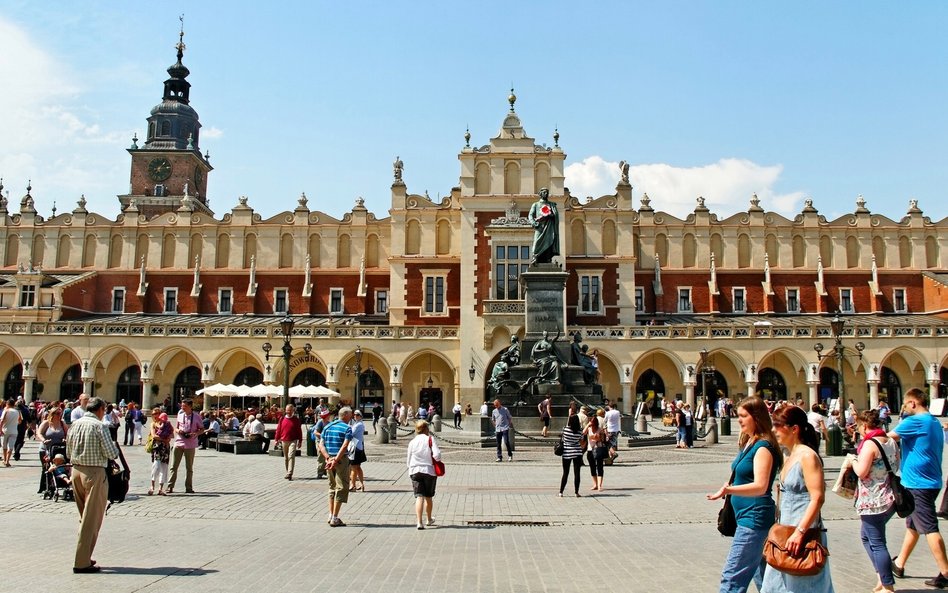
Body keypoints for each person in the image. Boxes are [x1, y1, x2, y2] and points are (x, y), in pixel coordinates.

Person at [707, 396, 782, 593]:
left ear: (756, 417)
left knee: (732, 577)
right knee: (764, 577)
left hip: (754, 518)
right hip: (746, 517)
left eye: (743, 416)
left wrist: (729, 490)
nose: (738, 419)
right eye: (738, 415)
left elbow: (760, 486)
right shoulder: (749, 442)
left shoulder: (763, 447)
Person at [760, 405, 834, 593]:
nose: (773, 430)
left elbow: (817, 498)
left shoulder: (808, 456)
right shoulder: (789, 455)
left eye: (778, 425)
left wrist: (800, 532)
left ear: (794, 429)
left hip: (802, 532)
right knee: (776, 585)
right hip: (784, 532)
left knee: (803, 585)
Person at [889, 387, 948, 588]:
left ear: (913, 403)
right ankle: (899, 563)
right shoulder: (934, 422)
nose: (903, 408)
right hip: (931, 481)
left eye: (905, 405)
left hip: (918, 484)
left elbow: (886, 439)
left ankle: (946, 573)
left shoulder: (913, 421)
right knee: (913, 526)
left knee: (930, 528)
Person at [65, 396, 120, 573]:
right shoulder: (99, 426)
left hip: (76, 472)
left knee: (84, 517)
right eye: (104, 410)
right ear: (100, 409)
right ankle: (81, 562)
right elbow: (111, 453)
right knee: (92, 519)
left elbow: (67, 450)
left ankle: (85, 556)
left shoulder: (75, 424)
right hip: (94, 473)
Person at [850, 409, 898, 593]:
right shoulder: (891, 441)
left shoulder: (870, 444)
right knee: (866, 536)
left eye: (859, 426)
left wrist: (852, 461)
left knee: (877, 543)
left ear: (864, 426)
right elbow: (896, 465)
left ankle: (887, 585)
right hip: (889, 497)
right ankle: (881, 576)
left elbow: (861, 471)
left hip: (873, 499)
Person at [318, 407, 353, 527]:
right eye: (350, 415)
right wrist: (336, 460)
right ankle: (335, 517)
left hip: (329, 459)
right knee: (342, 487)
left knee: (332, 486)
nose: (351, 417)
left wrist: (328, 458)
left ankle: (330, 514)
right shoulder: (347, 428)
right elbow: (344, 446)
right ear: (346, 415)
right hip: (341, 460)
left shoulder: (327, 427)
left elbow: (321, 445)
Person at [406, 419, 441, 529]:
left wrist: (412, 467)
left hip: (415, 471)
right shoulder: (430, 439)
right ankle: (429, 519)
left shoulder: (412, 442)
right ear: (425, 429)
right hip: (429, 471)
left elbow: (408, 460)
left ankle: (419, 522)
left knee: (419, 497)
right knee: (428, 496)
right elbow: (437, 455)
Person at [168, 399, 202, 494]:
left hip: (190, 444)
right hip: (179, 442)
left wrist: (195, 433)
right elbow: (176, 427)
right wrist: (179, 431)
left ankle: (189, 488)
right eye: (182, 406)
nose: (182, 408)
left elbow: (202, 429)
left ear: (190, 406)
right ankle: (170, 486)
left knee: (189, 468)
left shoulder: (196, 417)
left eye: (185, 406)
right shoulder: (180, 415)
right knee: (173, 466)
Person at [36, 406, 68, 493]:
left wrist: (65, 439)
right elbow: (39, 433)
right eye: (57, 413)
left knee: (58, 467)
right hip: (45, 448)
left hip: (58, 449)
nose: (59, 415)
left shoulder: (62, 423)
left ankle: (54, 484)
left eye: (60, 413)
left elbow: (67, 434)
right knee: (46, 467)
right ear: (52, 414)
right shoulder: (47, 423)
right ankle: (45, 486)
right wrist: (43, 440)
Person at [527, 187, 559, 264]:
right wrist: (534, 223)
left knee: (549, 241)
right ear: (540, 194)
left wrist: (551, 215)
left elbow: (555, 215)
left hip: (549, 227)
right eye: (544, 192)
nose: (546, 193)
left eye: (547, 192)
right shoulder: (536, 204)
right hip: (539, 227)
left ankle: (548, 258)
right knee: (536, 242)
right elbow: (530, 215)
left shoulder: (551, 204)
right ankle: (535, 257)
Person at [274, 404, 302, 480]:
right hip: (284, 440)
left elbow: (299, 430)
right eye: (287, 410)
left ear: (293, 411)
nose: (288, 412)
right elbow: (278, 430)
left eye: (290, 410)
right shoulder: (282, 419)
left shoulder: (296, 419)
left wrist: (300, 441)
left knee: (291, 456)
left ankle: (290, 473)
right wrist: (276, 439)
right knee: (286, 458)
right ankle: (287, 472)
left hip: (293, 440)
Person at [559, 414, 584, 497]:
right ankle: (576, 492)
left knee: (565, 473)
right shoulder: (580, 431)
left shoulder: (565, 430)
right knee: (577, 473)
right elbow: (582, 441)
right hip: (577, 452)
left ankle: (561, 492)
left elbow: (562, 439)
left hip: (566, 452)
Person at [148, 410, 173, 495]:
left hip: (165, 448)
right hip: (157, 448)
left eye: (156, 414)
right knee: (156, 465)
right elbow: (154, 435)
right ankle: (152, 486)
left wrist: (168, 438)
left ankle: (160, 488)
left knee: (164, 467)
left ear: (160, 414)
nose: (154, 415)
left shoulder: (167, 424)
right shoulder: (153, 424)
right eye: (153, 414)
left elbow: (172, 434)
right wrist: (164, 439)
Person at [584, 415, 608, 491]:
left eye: (593, 425)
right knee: (592, 467)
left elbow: (603, 439)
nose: (593, 426)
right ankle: (595, 484)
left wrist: (598, 438)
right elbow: (583, 433)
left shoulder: (600, 430)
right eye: (591, 424)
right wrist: (588, 425)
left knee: (600, 467)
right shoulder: (589, 428)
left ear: (596, 424)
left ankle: (599, 485)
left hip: (598, 450)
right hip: (590, 450)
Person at [348, 409, 367, 491]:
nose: (355, 416)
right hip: (358, 446)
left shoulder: (358, 425)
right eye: (354, 415)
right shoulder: (358, 424)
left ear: (360, 416)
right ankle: (362, 484)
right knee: (358, 467)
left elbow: (351, 433)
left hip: (355, 447)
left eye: (357, 415)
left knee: (353, 467)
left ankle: (353, 485)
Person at [0, 399, 21, 467]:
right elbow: (20, 421)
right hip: (14, 431)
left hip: (5, 430)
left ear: (7, 404)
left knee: (4, 446)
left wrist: (0, 430)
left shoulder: (6, 411)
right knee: (10, 446)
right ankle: (7, 461)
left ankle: (5, 459)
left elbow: (2, 420)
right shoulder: (18, 411)